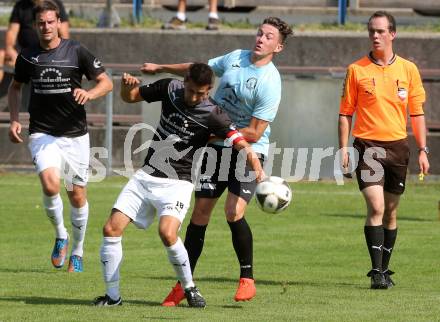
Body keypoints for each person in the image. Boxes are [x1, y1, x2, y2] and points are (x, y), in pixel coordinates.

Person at [141, 16, 293, 304]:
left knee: (233, 211)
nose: (261, 38)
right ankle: (183, 285)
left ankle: (247, 279)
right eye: (260, 33)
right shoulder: (235, 57)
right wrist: (162, 68)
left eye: (269, 37)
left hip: (248, 149)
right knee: (200, 214)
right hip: (216, 147)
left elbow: (255, 130)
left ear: (279, 47)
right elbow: (198, 71)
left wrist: (213, 134)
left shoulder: (271, 82)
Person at [92, 63, 264, 307]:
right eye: (191, 90)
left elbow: (240, 142)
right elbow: (131, 97)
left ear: (209, 89)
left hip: (177, 182)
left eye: (201, 93)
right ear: (184, 81)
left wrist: (256, 165)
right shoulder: (169, 88)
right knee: (111, 229)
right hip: (146, 176)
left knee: (167, 233)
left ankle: (190, 288)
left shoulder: (214, 113)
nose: (195, 97)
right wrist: (125, 88)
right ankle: (113, 297)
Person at [8, 0, 113, 273]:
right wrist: (15, 120)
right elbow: (15, 87)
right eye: (41, 23)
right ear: (35, 25)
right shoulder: (28, 56)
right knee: (50, 185)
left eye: (50, 22)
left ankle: (77, 250)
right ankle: (60, 234)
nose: (46, 27)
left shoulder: (75, 50)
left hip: (75, 135)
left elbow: (106, 82)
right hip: (42, 133)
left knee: (77, 195)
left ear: (58, 23)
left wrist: (88, 94)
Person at [338, 11, 429, 289]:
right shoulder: (357, 70)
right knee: (375, 206)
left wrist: (423, 149)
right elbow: (345, 113)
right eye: (371, 32)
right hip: (367, 146)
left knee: (390, 212)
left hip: (398, 148)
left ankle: (385, 269)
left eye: (380, 31)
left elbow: (417, 113)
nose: (375, 36)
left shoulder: (408, 70)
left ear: (392, 34)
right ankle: (376, 272)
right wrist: (343, 149)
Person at [5, 0, 69, 67]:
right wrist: (11, 51)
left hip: (51, 52)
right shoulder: (20, 6)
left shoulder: (56, 4)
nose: (46, 27)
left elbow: (64, 35)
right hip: (24, 52)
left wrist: (58, 56)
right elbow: (11, 33)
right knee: (1, 54)